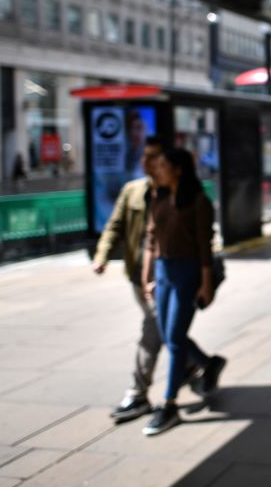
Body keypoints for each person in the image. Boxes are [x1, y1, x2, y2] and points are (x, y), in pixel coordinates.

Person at [93, 135, 190, 424]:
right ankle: (199, 365)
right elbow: (116, 226)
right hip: (139, 276)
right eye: (144, 156)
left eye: (154, 157)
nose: (147, 162)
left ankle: (139, 393)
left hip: (167, 278)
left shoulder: (177, 194)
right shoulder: (132, 191)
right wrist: (102, 256)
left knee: (153, 330)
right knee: (165, 328)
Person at [141, 147, 226, 436]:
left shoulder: (199, 202)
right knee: (168, 336)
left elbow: (205, 246)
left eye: (162, 165)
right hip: (164, 272)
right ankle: (208, 363)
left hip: (188, 272)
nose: (157, 170)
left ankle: (169, 404)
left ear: (178, 169)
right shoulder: (159, 198)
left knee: (175, 339)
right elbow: (152, 240)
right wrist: (148, 277)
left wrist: (205, 283)